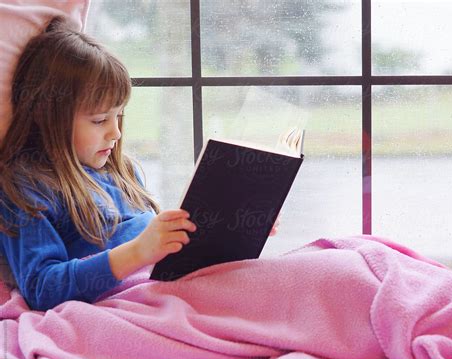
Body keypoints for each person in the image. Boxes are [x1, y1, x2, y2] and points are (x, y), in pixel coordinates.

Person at [0, 16, 280, 312]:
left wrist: (236, 227)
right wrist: (138, 252)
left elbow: (165, 252)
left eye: (119, 117)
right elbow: (42, 288)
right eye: (99, 120)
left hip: (176, 286)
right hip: (138, 303)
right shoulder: (26, 188)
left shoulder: (123, 172)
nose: (116, 133)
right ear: (48, 118)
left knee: (306, 272)